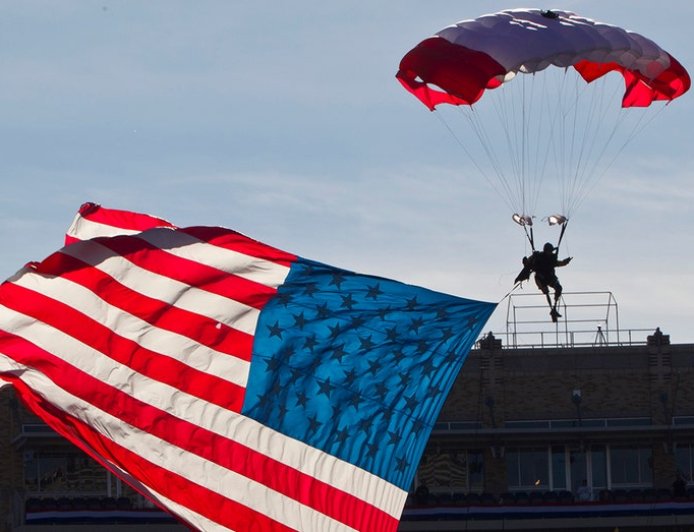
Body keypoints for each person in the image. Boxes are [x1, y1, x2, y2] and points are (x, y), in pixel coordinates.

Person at [514, 242, 572, 322]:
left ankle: (554, 309)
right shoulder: (538, 257)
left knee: (559, 288)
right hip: (540, 278)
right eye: (549, 251)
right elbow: (528, 264)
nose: (550, 253)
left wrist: (566, 262)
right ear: (545, 250)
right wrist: (525, 261)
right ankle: (552, 308)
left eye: (551, 251)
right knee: (546, 292)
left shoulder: (552, 258)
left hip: (550, 277)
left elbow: (559, 263)